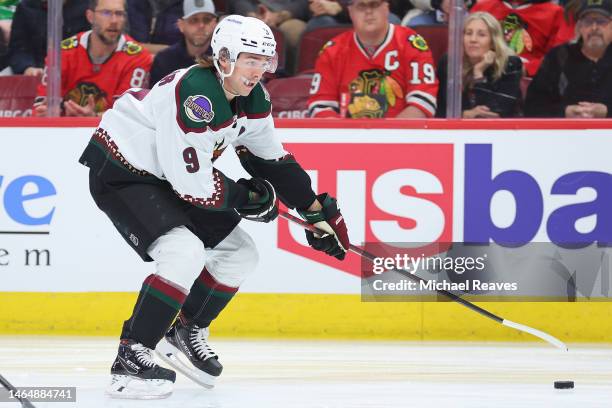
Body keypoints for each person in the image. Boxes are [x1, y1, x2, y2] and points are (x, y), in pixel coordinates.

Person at [78, 14, 350, 399]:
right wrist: (247, 199)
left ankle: (185, 331)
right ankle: (131, 356)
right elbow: (192, 183)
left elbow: (271, 159)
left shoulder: (253, 98)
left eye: (264, 61)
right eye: (249, 59)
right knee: (182, 251)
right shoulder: (196, 95)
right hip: (124, 170)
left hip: (169, 175)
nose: (257, 70)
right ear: (223, 58)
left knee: (239, 255)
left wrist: (316, 211)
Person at [307, 0, 439, 118]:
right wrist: (348, 139)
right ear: (350, 11)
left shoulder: (411, 44)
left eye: (374, 4)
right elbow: (320, 106)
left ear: (386, 7)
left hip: (400, 140)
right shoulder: (332, 51)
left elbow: (423, 101)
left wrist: (384, 138)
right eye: (361, 6)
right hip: (347, 141)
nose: (368, 11)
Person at [33, 0, 152, 117]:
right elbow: (41, 104)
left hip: (110, 134)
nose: (114, 20)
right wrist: (46, 112)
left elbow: (128, 115)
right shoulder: (62, 52)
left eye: (119, 14)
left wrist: (93, 117)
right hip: (62, 131)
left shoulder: (138, 57)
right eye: (106, 13)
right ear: (90, 16)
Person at [525, 0, 611, 117]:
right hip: (564, 132)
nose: (594, 28)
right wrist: (565, 112)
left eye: (602, 22)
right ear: (579, 27)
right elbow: (532, 106)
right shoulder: (559, 56)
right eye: (587, 22)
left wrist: (607, 111)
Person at [436, 12, 522, 118]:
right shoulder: (450, 62)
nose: (473, 40)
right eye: (468, 33)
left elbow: (495, 113)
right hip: (457, 131)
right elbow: (439, 109)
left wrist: (478, 73)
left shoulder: (510, 63)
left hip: (503, 132)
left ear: (493, 41)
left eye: (481, 35)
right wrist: (464, 115)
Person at [470, 0, 565, 76]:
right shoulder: (482, 7)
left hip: (529, 82)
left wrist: (527, 69)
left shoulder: (556, 13)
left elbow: (557, 56)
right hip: (482, 71)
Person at [7, 0, 89, 76]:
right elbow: (18, 48)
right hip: (38, 72)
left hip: (76, 74)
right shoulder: (26, 7)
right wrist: (27, 67)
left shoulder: (87, 8)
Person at [149, 0, 217, 85]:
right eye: (194, 20)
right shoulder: (164, 60)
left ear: (214, 24)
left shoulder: (221, 59)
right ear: (181, 25)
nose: (201, 25)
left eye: (207, 20)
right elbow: (154, 96)